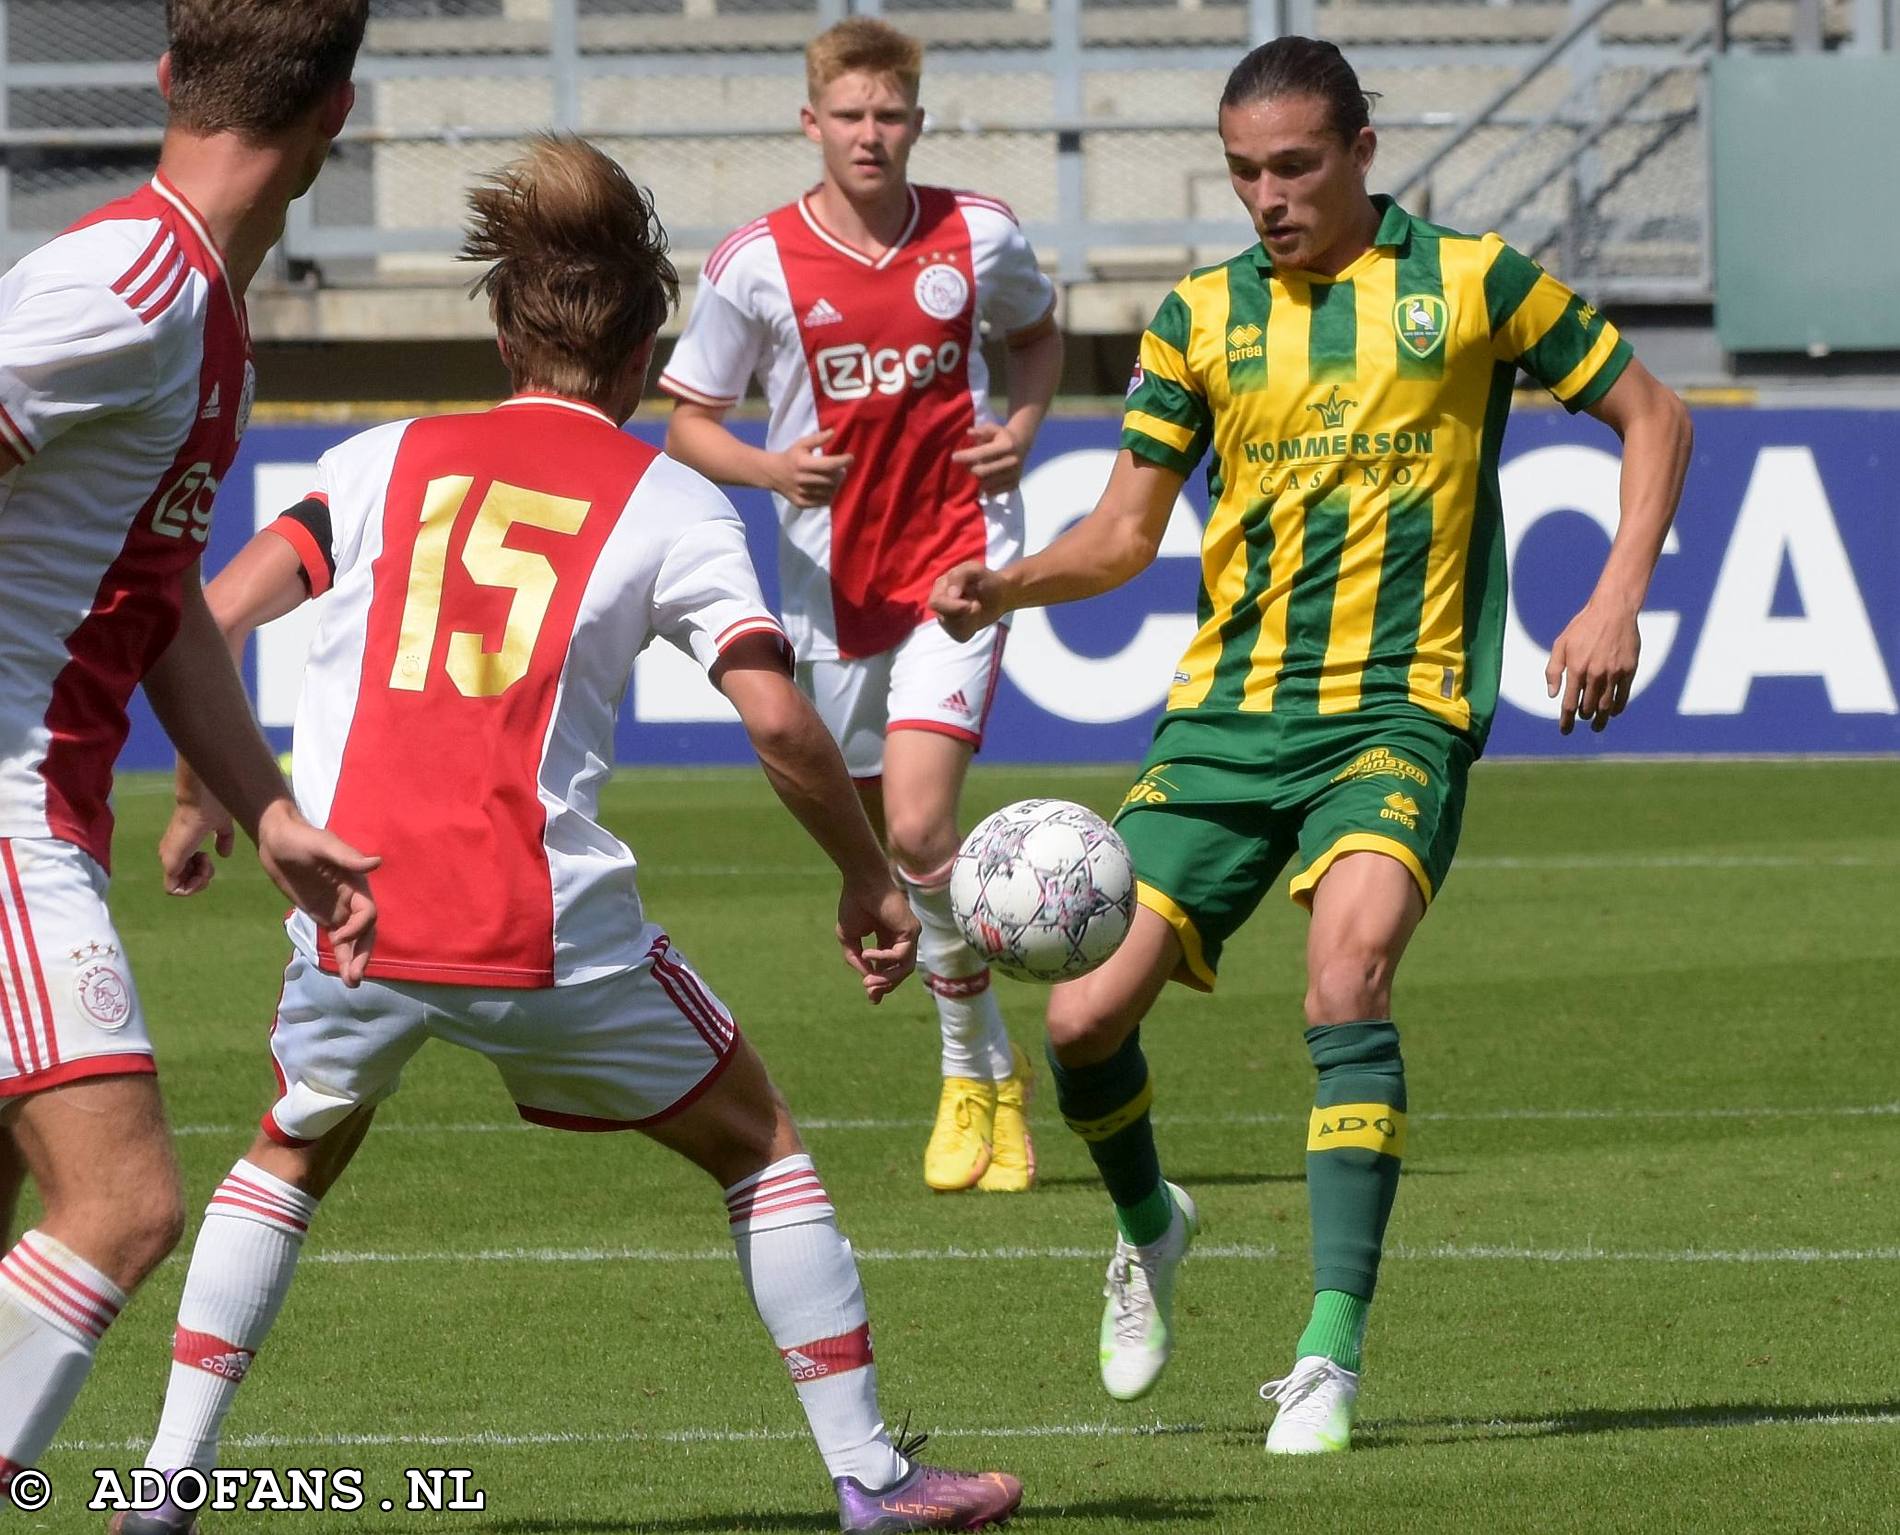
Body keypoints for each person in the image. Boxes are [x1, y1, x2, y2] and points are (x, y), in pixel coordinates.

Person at [116, 135, 1023, 1535]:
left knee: (289, 1150)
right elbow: (783, 721)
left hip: (354, 906)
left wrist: (211, 794)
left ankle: (163, 1487)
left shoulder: (372, 459)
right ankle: (878, 1483)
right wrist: (866, 876)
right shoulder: (670, 499)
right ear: (650, 345)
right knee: (761, 1143)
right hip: (540, 919)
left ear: (498, 331)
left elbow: (210, 614)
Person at [932, 37, 1692, 1453]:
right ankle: (1152, 1223)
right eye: (1242, 171)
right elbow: (1122, 532)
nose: (1266, 196)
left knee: (1347, 978)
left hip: (1401, 710)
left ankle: (1330, 1353)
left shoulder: (1473, 282)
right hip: (1228, 721)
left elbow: (1654, 410)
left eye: (1292, 166)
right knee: (1083, 1017)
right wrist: (1009, 579)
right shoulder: (1201, 315)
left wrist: (1615, 596)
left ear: (1360, 151)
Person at [0, 0, 377, 1500]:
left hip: (51, 804)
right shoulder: (131, 284)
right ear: (337, 117)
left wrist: (269, 805)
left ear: (166, 77)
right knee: (121, 1201)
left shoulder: (200, 309)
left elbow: (155, 603)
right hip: (7, 812)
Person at [661, 17, 1064, 1195]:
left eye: (890, 115)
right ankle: (988, 1057)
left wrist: (1024, 429)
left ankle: (966, 1070)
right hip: (830, 593)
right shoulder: (754, 262)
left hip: (959, 563)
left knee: (927, 831)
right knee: (900, 854)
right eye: (850, 116)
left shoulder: (977, 235)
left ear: (916, 123)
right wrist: (768, 468)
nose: (871, 134)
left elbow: (1037, 342)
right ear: (812, 123)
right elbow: (688, 421)